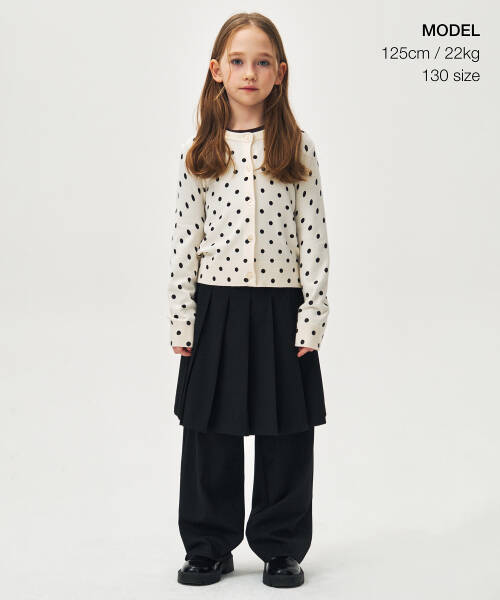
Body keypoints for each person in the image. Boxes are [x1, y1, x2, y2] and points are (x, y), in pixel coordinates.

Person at [168, 11, 331, 588]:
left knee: (286, 431)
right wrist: (182, 320)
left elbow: (315, 238)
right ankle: (208, 545)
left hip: (282, 310)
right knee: (210, 431)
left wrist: (312, 317)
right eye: (237, 61)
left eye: (262, 62)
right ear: (217, 70)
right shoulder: (201, 153)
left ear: (280, 72)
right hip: (217, 309)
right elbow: (184, 243)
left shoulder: (298, 148)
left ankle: (281, 546)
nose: (250, 72)